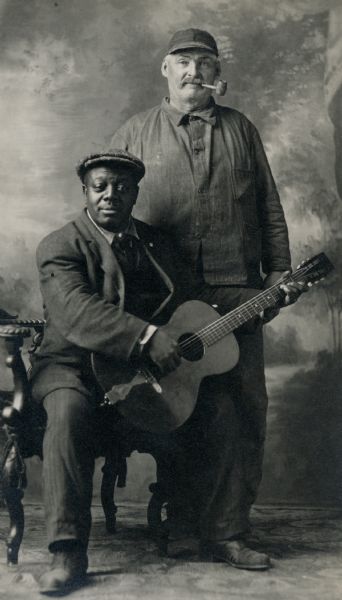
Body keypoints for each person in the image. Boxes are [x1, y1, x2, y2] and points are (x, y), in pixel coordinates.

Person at [110, 28, 296, 569]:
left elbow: (269, 207)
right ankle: (184, 522)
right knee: (183, 408)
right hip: (164, 300)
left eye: (205, 62)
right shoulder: (134, 132)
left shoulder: (242, 129)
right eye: (182, 62)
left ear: (217, 72)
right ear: (164, 71)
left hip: (238, 289)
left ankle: (229, 532)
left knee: (243, 410)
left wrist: (278, 274)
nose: (194, 70)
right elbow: (112, 217)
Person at [30, 149, 195, 595]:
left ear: (136, 194)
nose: (110, 196)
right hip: (71, 368)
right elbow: (77, 311)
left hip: (133, 372)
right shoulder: (59, 245)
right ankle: (66, 552)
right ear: (85, 191)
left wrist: (250, 309)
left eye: (122, 188)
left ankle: (200, 530)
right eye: (100, 186)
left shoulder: (157, 244)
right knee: (66, 414)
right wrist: (145, 336)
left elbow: (188, 302)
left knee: (207, 402)